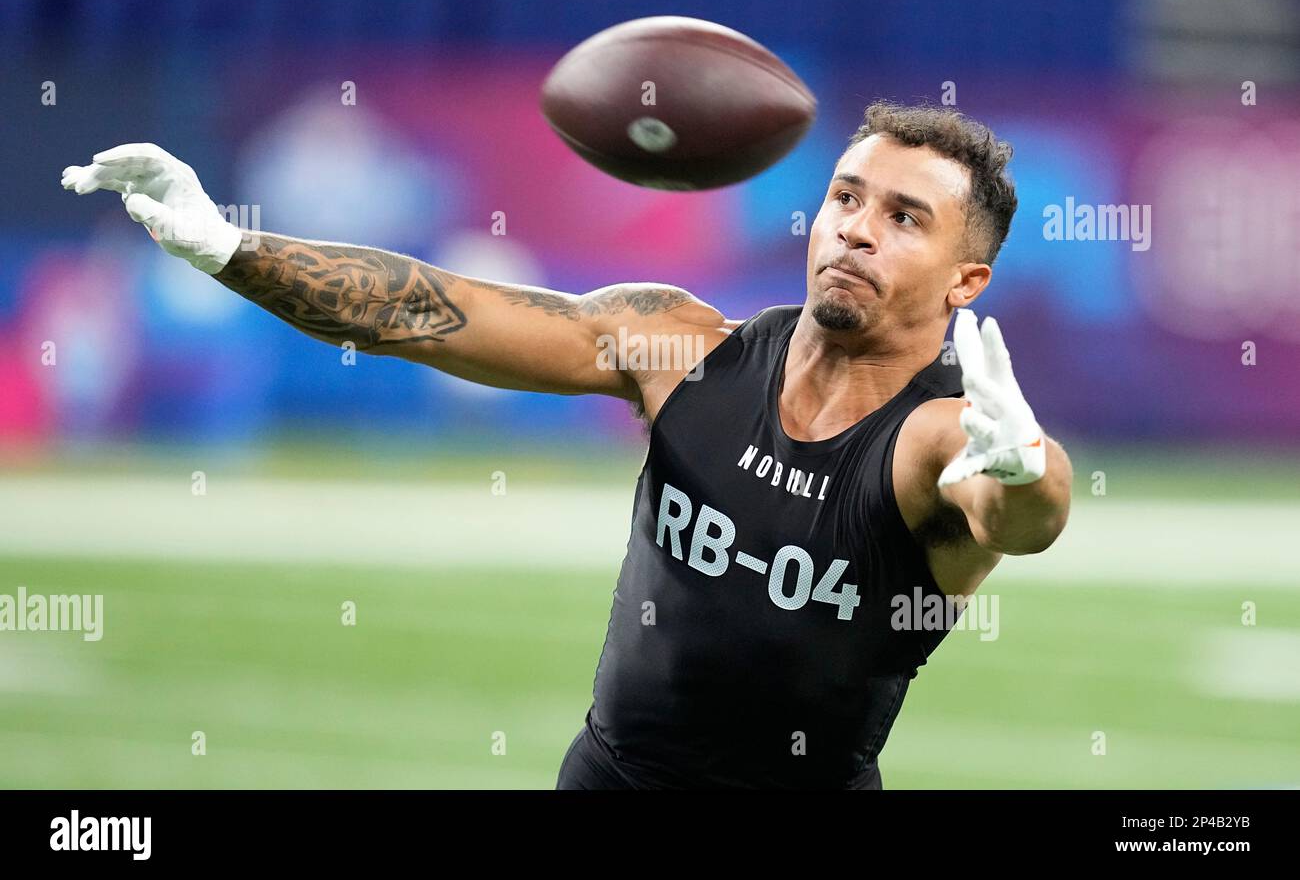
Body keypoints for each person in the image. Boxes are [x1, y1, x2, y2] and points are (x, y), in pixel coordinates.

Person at [62, 100, 1072, 789]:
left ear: (964, 281)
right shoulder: (680, 349)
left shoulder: (944, 434)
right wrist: (229, 247)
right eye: (847, 197)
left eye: (904, 218)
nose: (855, 228)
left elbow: (1017, 513)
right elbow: (434, 311)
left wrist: (1023, 465)